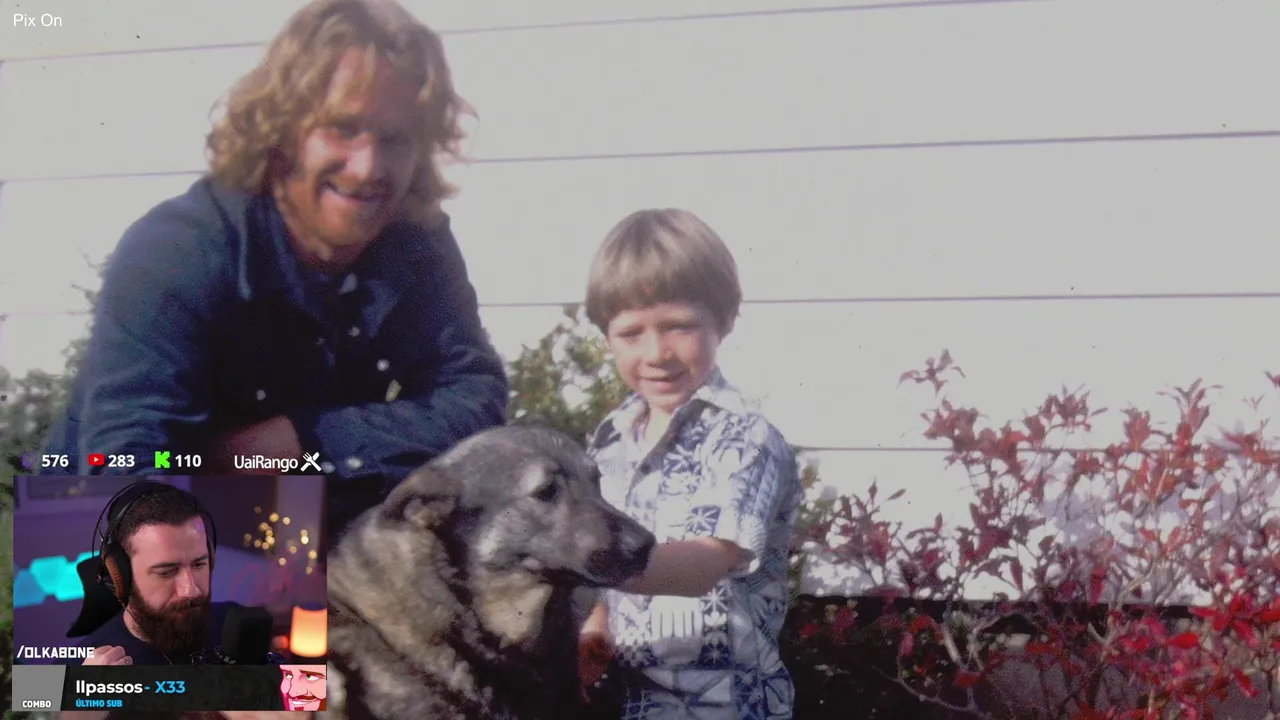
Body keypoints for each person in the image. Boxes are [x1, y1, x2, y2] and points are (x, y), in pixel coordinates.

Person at [37, 0, 507, 534]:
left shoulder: (417, 242)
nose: (367, 167)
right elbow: (131, 472)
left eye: (395, 140)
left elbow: (477, 400)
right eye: (342, 128)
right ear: (282, 131)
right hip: (94, 536)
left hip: (280, 523)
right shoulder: (177, 249)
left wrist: (302, 441)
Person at [576, 209, 804, 719]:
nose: (656, 352)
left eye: (679, 327)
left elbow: (703, 566)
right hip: (631, 703)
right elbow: (604, 589)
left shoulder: (748, 439)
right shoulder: (607, 445)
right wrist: (595, 628)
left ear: (722, 321)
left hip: (725, 707)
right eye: (631, 333)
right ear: (606, 336)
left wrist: (577, 562)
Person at [58, 483, 243, 666]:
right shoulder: (70, 671)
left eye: (199, 564)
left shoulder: (238, 624)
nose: (191, 590)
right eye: (166, 572)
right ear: (121, 576)